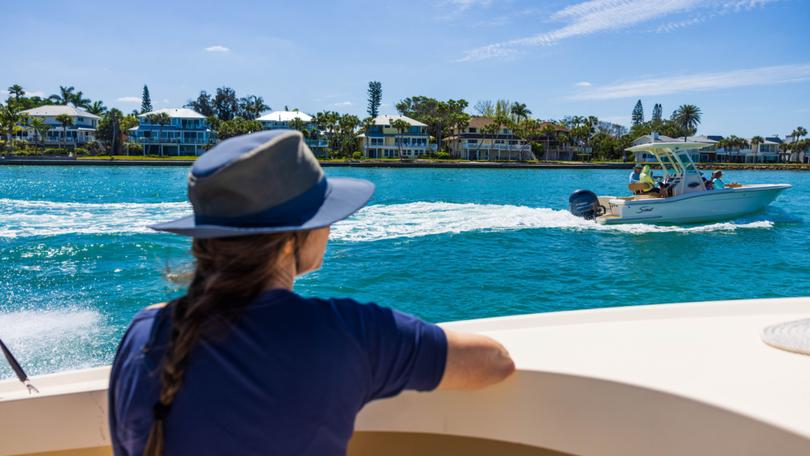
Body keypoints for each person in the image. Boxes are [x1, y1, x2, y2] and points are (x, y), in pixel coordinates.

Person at [108, 130, 515, 456]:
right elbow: (494, 362)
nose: (331, 228)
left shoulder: (145, 333)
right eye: (324, 216)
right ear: (289, 241)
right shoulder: (349, 333)